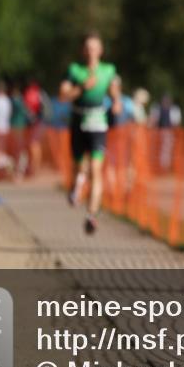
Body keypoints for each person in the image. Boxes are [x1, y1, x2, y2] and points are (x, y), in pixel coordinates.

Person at [59, 32, 122, 234]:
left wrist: (117, 102)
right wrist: (81, 88)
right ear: (83, 51)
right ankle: (77, 184)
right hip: (78, 121)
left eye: (95, 47)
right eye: (88, 48)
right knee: (80, 166)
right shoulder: (75, 70)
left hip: (98, 122)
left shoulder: (109, 70)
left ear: (101, 50)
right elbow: (62, 96)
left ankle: (92, 215)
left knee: (96, 169)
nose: (91, 51)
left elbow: (114, 91)